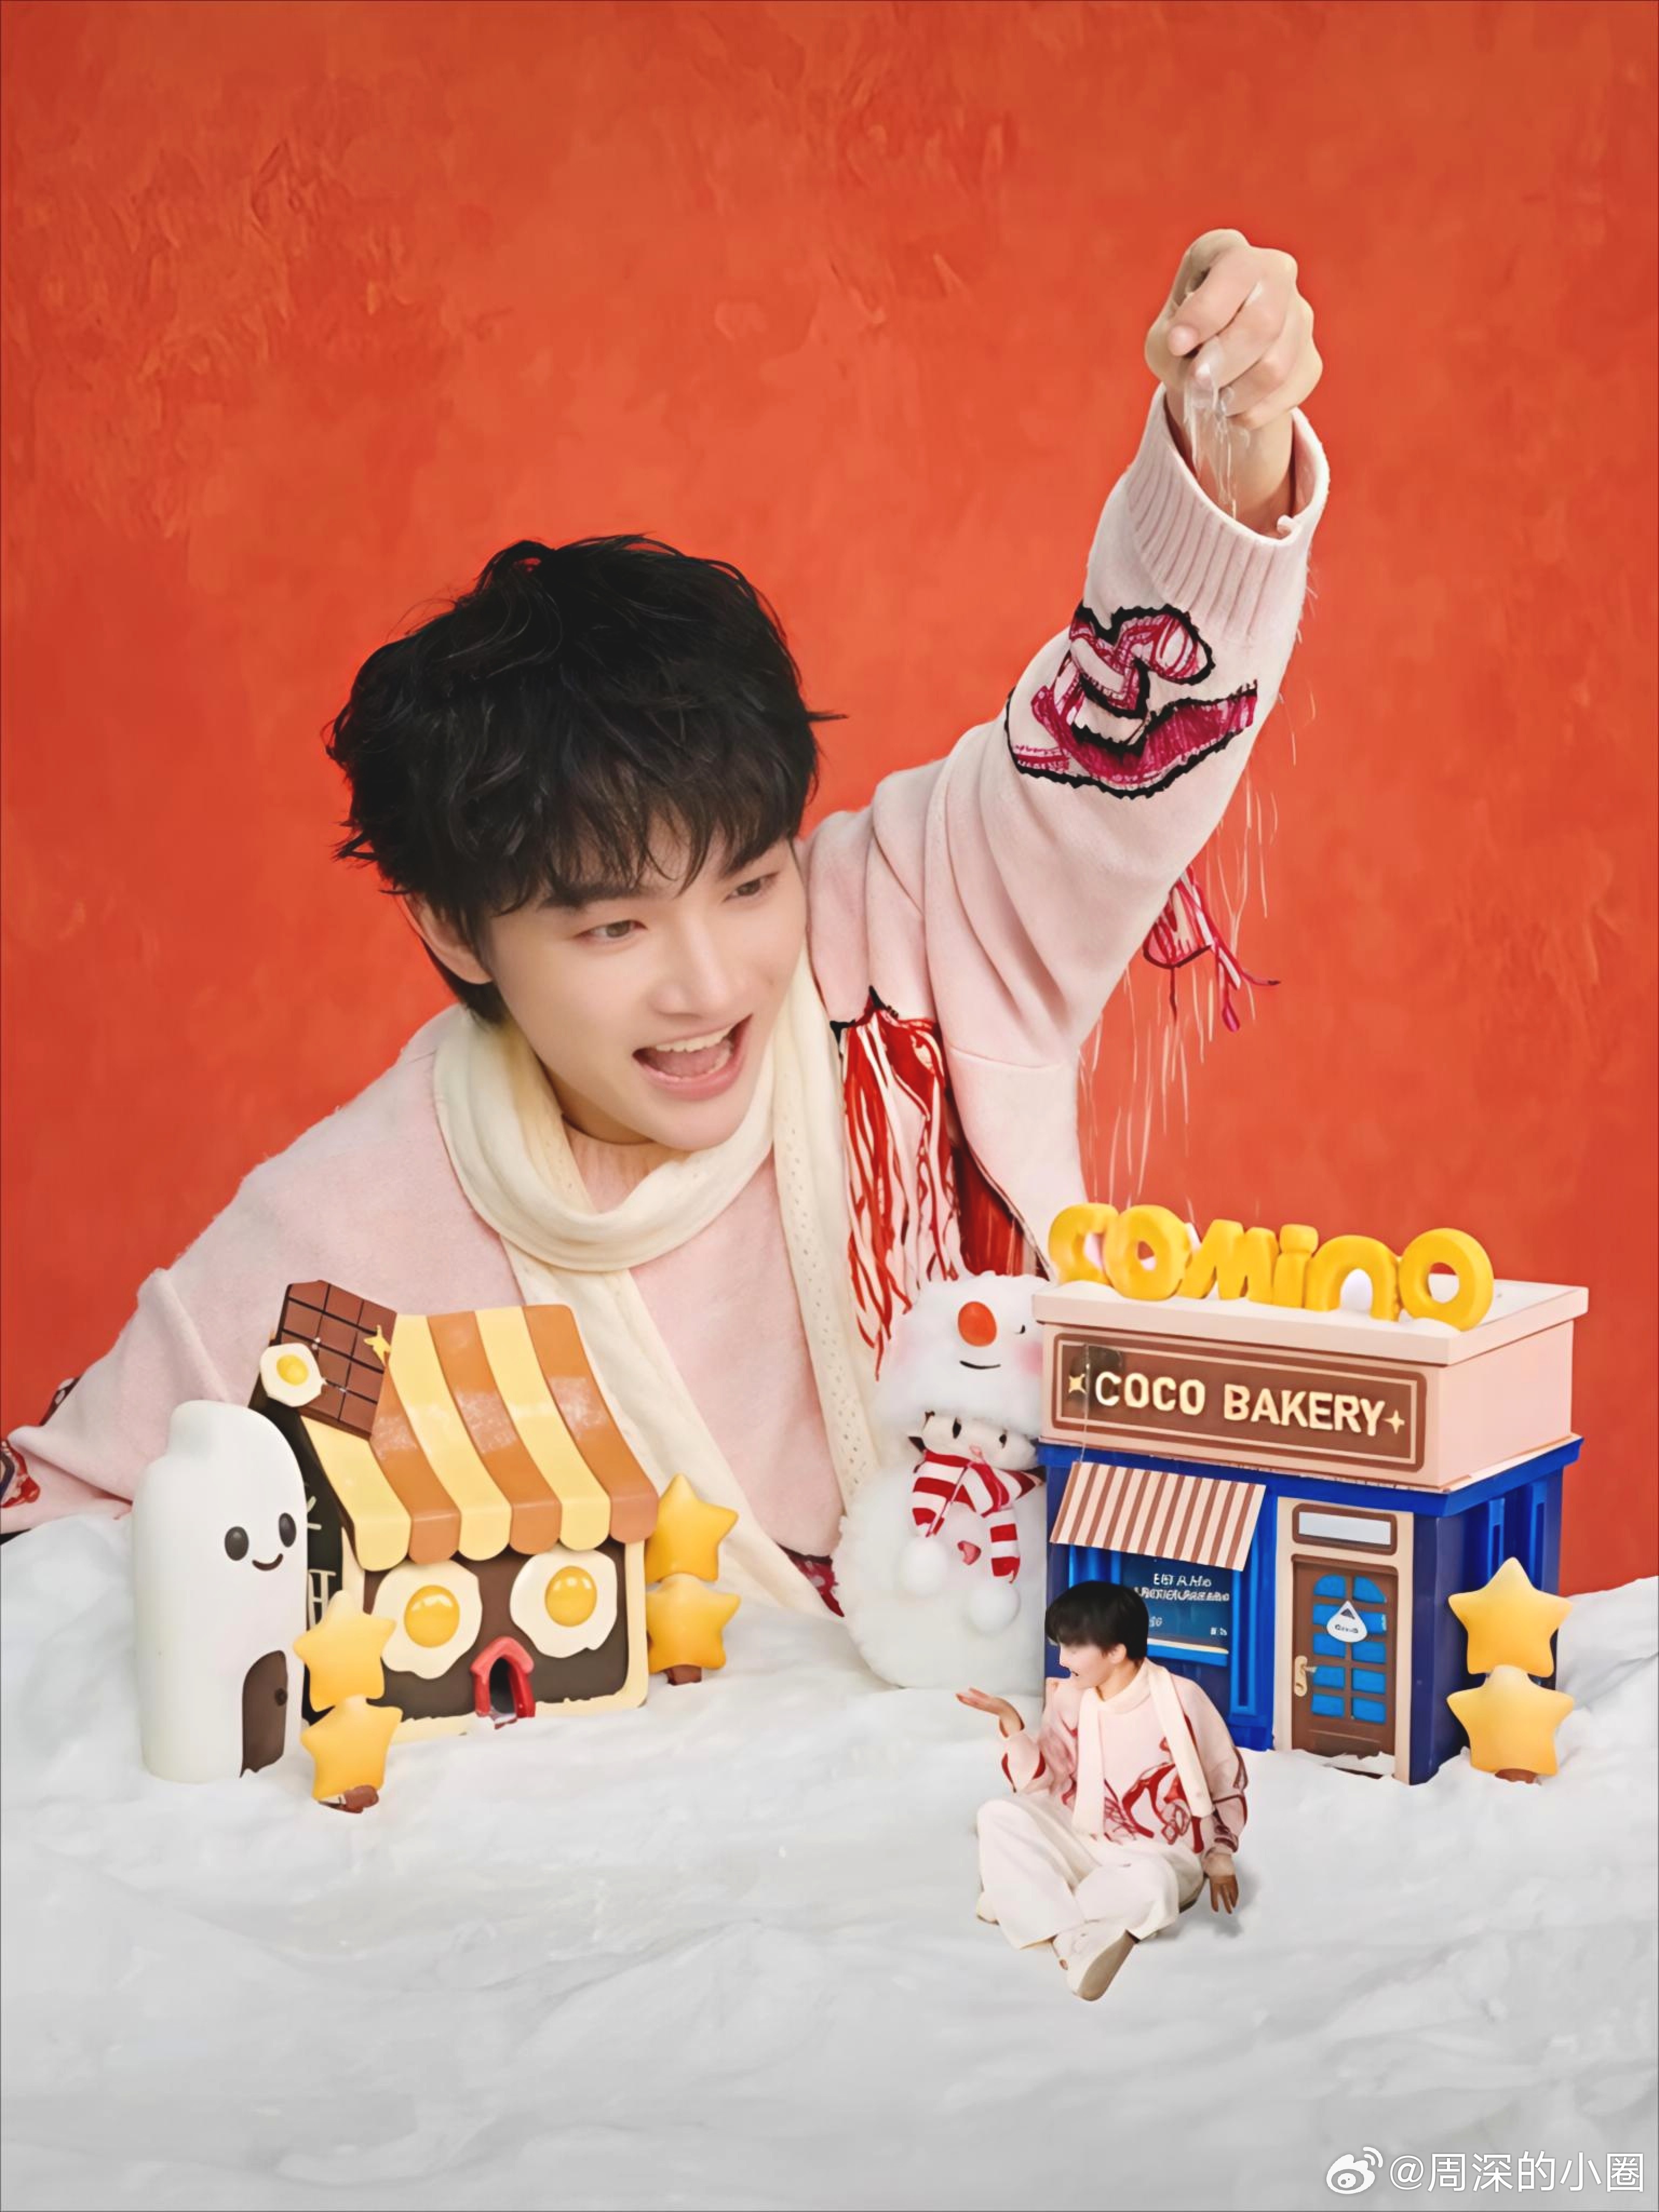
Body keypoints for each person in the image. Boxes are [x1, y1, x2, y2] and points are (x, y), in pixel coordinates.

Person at [2, 230, 1327, 1613]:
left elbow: (1120, 725)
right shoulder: (350, 1237)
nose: (710, 984)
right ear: (455, 930)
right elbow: (62, 1538)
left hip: (1026, 1702)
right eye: (613, 931)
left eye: (749, 883)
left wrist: (1227, 435)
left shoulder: (910, 939)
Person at [961, 1579, 1247, 2001]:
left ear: (1116, 1652)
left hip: (1159, 1855)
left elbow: (1224, 1778)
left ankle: (1024, 1898)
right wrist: (1011, 1724)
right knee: (998, 1814)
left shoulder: (1182, 1699)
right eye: (1062, 1646)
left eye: (1075, 1648)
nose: (1063, 1659)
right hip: (1084, 1835)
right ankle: (1071, 1939)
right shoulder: (1070, 1698)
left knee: (1155, 1886)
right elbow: (1040, 1782)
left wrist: (1220, 1857)